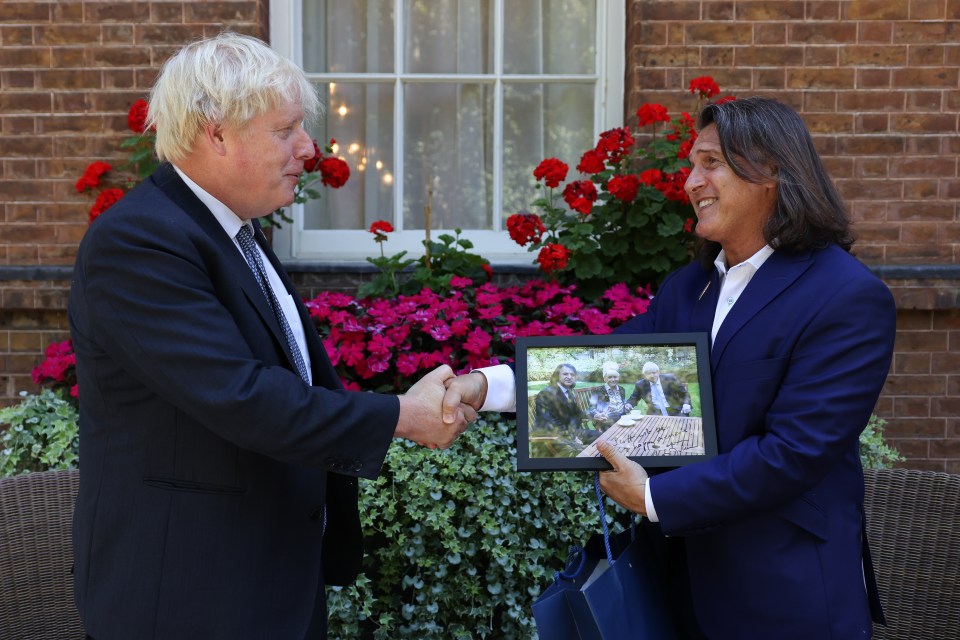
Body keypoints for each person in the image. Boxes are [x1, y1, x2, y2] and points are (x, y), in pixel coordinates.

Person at [68, 33, 474, 639]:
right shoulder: (141, 243)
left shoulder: (232, 230)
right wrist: (400, 416)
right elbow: (243, 396)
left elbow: (286, 382)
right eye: (286, 130)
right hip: (189, 594)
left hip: (263, 578)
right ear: (217, 132)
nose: (308, 149)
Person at [443, 96, 894, 639]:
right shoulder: (690, 287)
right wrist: (481, 386)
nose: (690, 182)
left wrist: (655, 497)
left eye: (710, 163)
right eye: (690, 164)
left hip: (786, 599)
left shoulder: (846, 296)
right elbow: (605, 364)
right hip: (677, 593)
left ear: (772, 171)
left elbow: (793, 453)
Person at [533, 364, 601, 447]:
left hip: (573, 432)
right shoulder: (546, 394)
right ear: (557, 375)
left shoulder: (568, 392)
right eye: (565, 374)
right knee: (594, 447)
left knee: (602, 437)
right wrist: (572, 437)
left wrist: (594, 415)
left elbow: (578, 413)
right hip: (555, 439)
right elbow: (548, 423)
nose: (569, 377)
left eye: (572, 374)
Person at [627, 361, 691, 416]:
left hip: (675, 411)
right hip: (654, 412)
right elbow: (634, 398)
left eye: (654, 373)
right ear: (644, 375)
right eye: (648, 373)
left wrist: (686, 404)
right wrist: (629, 404)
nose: (652, 376)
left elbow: (685, 393)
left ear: (658, 372)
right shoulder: (640, 384)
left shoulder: (670, 379)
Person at [588, 363, 632, 429]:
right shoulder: (598, 391)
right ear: (605, 379)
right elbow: (591, 409)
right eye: (610, 377)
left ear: (618, 377)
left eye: (615, 377)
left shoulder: (621, 389)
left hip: (622, 418)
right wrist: (596, 414)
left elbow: (622, 403)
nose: (613, 380)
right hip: (607, 420)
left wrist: (626, 405)